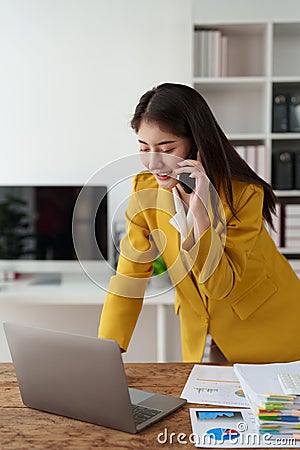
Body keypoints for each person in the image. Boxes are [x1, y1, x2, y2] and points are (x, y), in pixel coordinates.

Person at [98, 82, 300, 363]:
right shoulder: (146, 192)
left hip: (270, 330)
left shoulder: (243, 195)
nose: (152, 163)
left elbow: (220, 285)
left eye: (166, 147)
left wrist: (202, 217)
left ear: (197, 145)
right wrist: (108, 348)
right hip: (200, 334)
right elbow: (129, 274)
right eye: (144, 148)